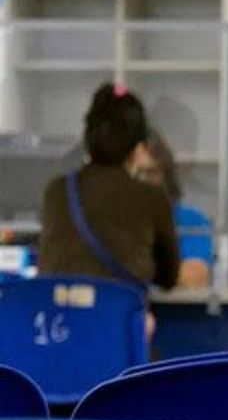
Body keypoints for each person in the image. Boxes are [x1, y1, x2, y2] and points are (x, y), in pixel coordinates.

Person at [39, 83, 180, 293]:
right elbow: (168, 278)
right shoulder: (152, 199)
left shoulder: (56, 191)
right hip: (116, 313)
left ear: (88, 136)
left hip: (57, 313)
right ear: (138, 146)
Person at [133, 128, 213, 289]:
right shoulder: (103, 221)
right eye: (135, 173)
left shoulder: (190, 221)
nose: (143, 181)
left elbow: (194, 277)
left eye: (150, 172)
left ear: (165, 174)